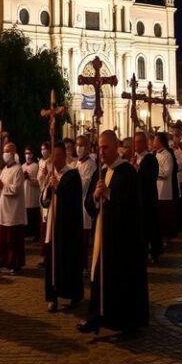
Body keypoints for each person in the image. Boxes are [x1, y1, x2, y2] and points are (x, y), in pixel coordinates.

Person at [78, 130, 148, 335]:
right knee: (99, 276)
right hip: (102, 233)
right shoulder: (100, 172)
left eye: (105, 147)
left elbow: (132, 206)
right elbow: (89, 205)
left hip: (121, 238)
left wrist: (109, 194)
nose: (101, 151)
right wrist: (95, 196)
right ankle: (96, 317)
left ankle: (124, 322)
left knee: (119, 278)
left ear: (116, 147)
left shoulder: (127, 173)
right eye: (99, 148)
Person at [41, 141, 84, 312]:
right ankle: (52, 296)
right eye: (54, 156)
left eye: (59, 156)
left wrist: (58, 187)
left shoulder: (72, 175)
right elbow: (45, 200)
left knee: (67, 261)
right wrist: (48, 190)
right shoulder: (52, 175)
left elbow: (72, 199)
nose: (56, 159)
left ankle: (73, 294)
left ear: (64, 157)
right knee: (51, 262)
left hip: (67, 227)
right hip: (52, 224)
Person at [0, 141, 26, 276]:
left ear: (14, 152)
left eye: (8, 151)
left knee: (13, 240)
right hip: (3, 209)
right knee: (0, 240)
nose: (5, 154)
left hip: (13, 211)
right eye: (4, 151)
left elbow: (16, 189)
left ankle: (15, 265)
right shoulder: (4, 169)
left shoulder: (18, 169)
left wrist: (2, 186)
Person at [133, 132, 162, 262]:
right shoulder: (133, 157)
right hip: (137, 198)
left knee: (150, 226)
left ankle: (154, 252)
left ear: (145, 143)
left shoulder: (151, 159)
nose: (136, 144)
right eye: (135, 142)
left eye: (139, 141)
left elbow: (151, 177)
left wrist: (138, 168)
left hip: (148, 198)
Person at [75, 135, 97, 275]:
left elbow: (85, 185)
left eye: (82, 145)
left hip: (85, 205)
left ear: (88, 147)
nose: (79, 148)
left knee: (84, 239)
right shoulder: (77, 163)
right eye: (77, 145)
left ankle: (85, 265)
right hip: (76, 204)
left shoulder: (90, 164)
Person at [153, 132, 178, 242]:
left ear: (160, 142)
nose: (153, 142)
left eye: (155, 140)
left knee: (165, 215)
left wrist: (154, 170)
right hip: (157, 189)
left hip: (164, 190)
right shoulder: (155, 154)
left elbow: (167, 172)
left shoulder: (167, 155)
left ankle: (166, 236)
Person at [22, 145, 41, 241]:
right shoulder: (22, 166)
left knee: (33, 215)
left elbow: (38, 182)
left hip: (33, 195)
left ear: (32, 155)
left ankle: (34, 235)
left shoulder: (36, 166)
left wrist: (29, 178)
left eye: (29, 153)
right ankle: (26, 234)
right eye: (26, 153)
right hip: (24, 195)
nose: (27, 155)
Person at [36, 142, 51, 266]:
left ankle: (49, 254)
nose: (43, 151)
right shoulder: (41, 162)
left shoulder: (52, 161)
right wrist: (43, 175)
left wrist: (48, 173)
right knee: (43, 227)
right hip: (43, 195)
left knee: (49, 228)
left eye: (45, 149)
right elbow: (39, 179)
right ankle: (43, 254)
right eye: (42, 149)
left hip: (51, 197)